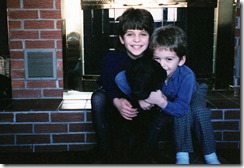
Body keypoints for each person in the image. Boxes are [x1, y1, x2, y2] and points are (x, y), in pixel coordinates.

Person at [115, 25, 221, 164]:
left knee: (197, 111)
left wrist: (160, 102)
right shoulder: (152, 70)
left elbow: (181, 108)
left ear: (181, 60)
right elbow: (121, 78)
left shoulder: (187, 76)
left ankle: (210, 155)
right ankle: (182, 157)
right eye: (157, 59)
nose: (162, 65)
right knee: (181, 112)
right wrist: (143, 98)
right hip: (171, 99)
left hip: (193, 92)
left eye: (169, 59)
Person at [91, 8, 165, 163]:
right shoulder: (112, 59)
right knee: (97, 97)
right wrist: (116, 101)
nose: (136, 40)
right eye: (130, 34)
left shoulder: (155, 60)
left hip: (145, 108)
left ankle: (147, 152)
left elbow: (161, 81)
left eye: (143, 34)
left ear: (150, 37)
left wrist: (148, 99)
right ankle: (105, 153)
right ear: (122, 39)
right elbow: (107, 83)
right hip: (119, 109)